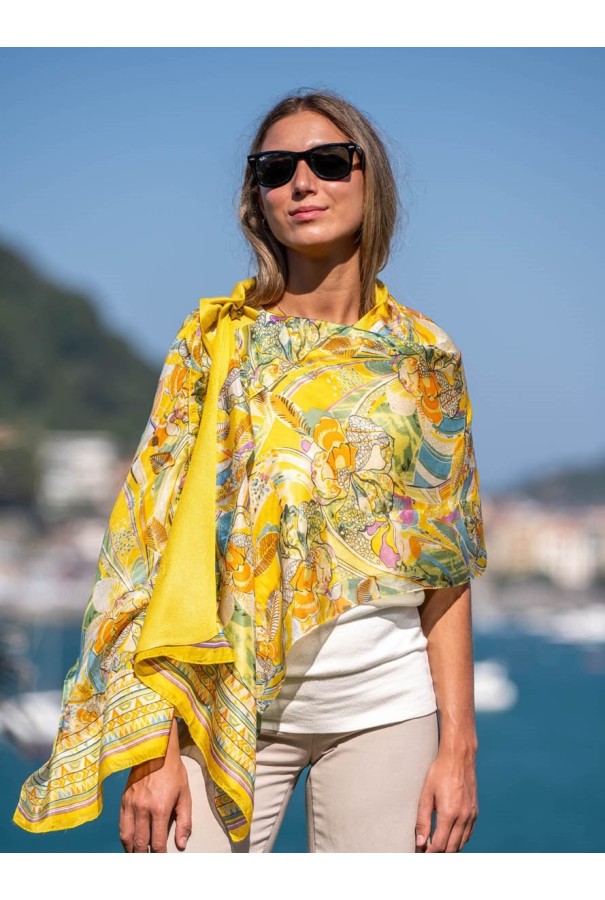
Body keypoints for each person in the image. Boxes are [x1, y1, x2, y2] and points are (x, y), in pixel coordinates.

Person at [14, 89, 487, 853]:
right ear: (257, 198)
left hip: (388, 708)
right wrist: (153, 754)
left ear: (370, 179)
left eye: (328, 161)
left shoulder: (424, 357)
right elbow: (151, 551)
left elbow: (445, 563)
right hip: (221, 705)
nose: (301, 183)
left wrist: (458, 749)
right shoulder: (215, 345)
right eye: (275, 169)